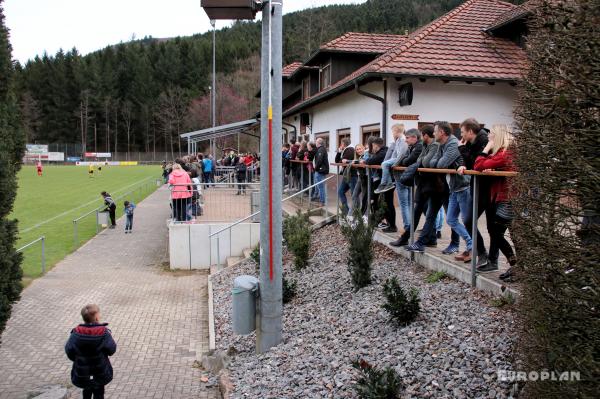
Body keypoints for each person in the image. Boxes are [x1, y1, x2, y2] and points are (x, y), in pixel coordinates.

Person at [473, 124, 517, 279]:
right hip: (505, 197)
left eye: (491, 134)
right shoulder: (503, 152)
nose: (489, 136)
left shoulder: (505, 153)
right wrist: (496, 170)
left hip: (508, 199)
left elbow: (478, 164)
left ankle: (517, 266)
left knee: (497, 233)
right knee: (505, 234)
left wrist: (487, 147)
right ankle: (518, 267)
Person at [389, 125, 439, 247]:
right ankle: (430, 238)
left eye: (422, 135)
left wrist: (420, 161)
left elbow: (423, 162)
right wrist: (419, 161)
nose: (421, 137)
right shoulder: (425, 145)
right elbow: (417, 161)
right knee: (424, 212)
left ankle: (410, 238)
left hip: (431, 183)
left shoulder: (433, 146)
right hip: (422, 182)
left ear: (425, 135)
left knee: (423, 212)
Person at [457, 118, 493, 265]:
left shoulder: (483, 141)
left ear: (470, 131)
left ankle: (489, 257)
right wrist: (463, 165)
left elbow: (476, 163)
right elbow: (468, 161)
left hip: (487, 188)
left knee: (491, 226)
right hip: (476, 186)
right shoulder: (472, 142)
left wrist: (462, 149)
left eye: (463, 132)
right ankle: (482, 252)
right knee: (468, 220)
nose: (462, 135)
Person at [65, 304, 116, 399]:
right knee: (99, 393)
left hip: (83, 372)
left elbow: (69, 351)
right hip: (100, 370)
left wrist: (78, 360)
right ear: (96, 317)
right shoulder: (103, 333)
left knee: (86, 391)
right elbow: (112, 350)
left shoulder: (76, 333)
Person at [374, 124, 407, 193]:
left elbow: (402, 154)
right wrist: (390, 161)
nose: (392, 134)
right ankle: (388, 183)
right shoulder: (398, 140)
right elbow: (395, 152)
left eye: (393, 132)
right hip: (397, 158)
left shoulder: (403, 140)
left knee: (384, 164)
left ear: (396, 131)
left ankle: (384, 183)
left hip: (401, 159)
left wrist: (395, 163)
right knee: (385, 164)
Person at [335, 137, 356, 215]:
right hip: (346, 175)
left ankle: (355, 213)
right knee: (340, 191)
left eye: (341, 143)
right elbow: (338, 161)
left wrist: (342, 158)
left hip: (351, 175)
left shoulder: (350, 149)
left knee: (354, 194)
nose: (340, 145)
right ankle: (346, 211)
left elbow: (342, 161)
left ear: (343, 144)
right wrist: (339, 152)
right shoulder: (345, 150)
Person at [313, 137, 330, 206]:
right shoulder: (321, 149)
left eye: (316, 142)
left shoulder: (321, 149)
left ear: (318, 143)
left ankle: (322, 201)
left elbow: (319, 160)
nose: (315, 143)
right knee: (319, 185)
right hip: (320, 170)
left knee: (321, 186)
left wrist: (316, 168)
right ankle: (319, 198)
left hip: (320, 170)